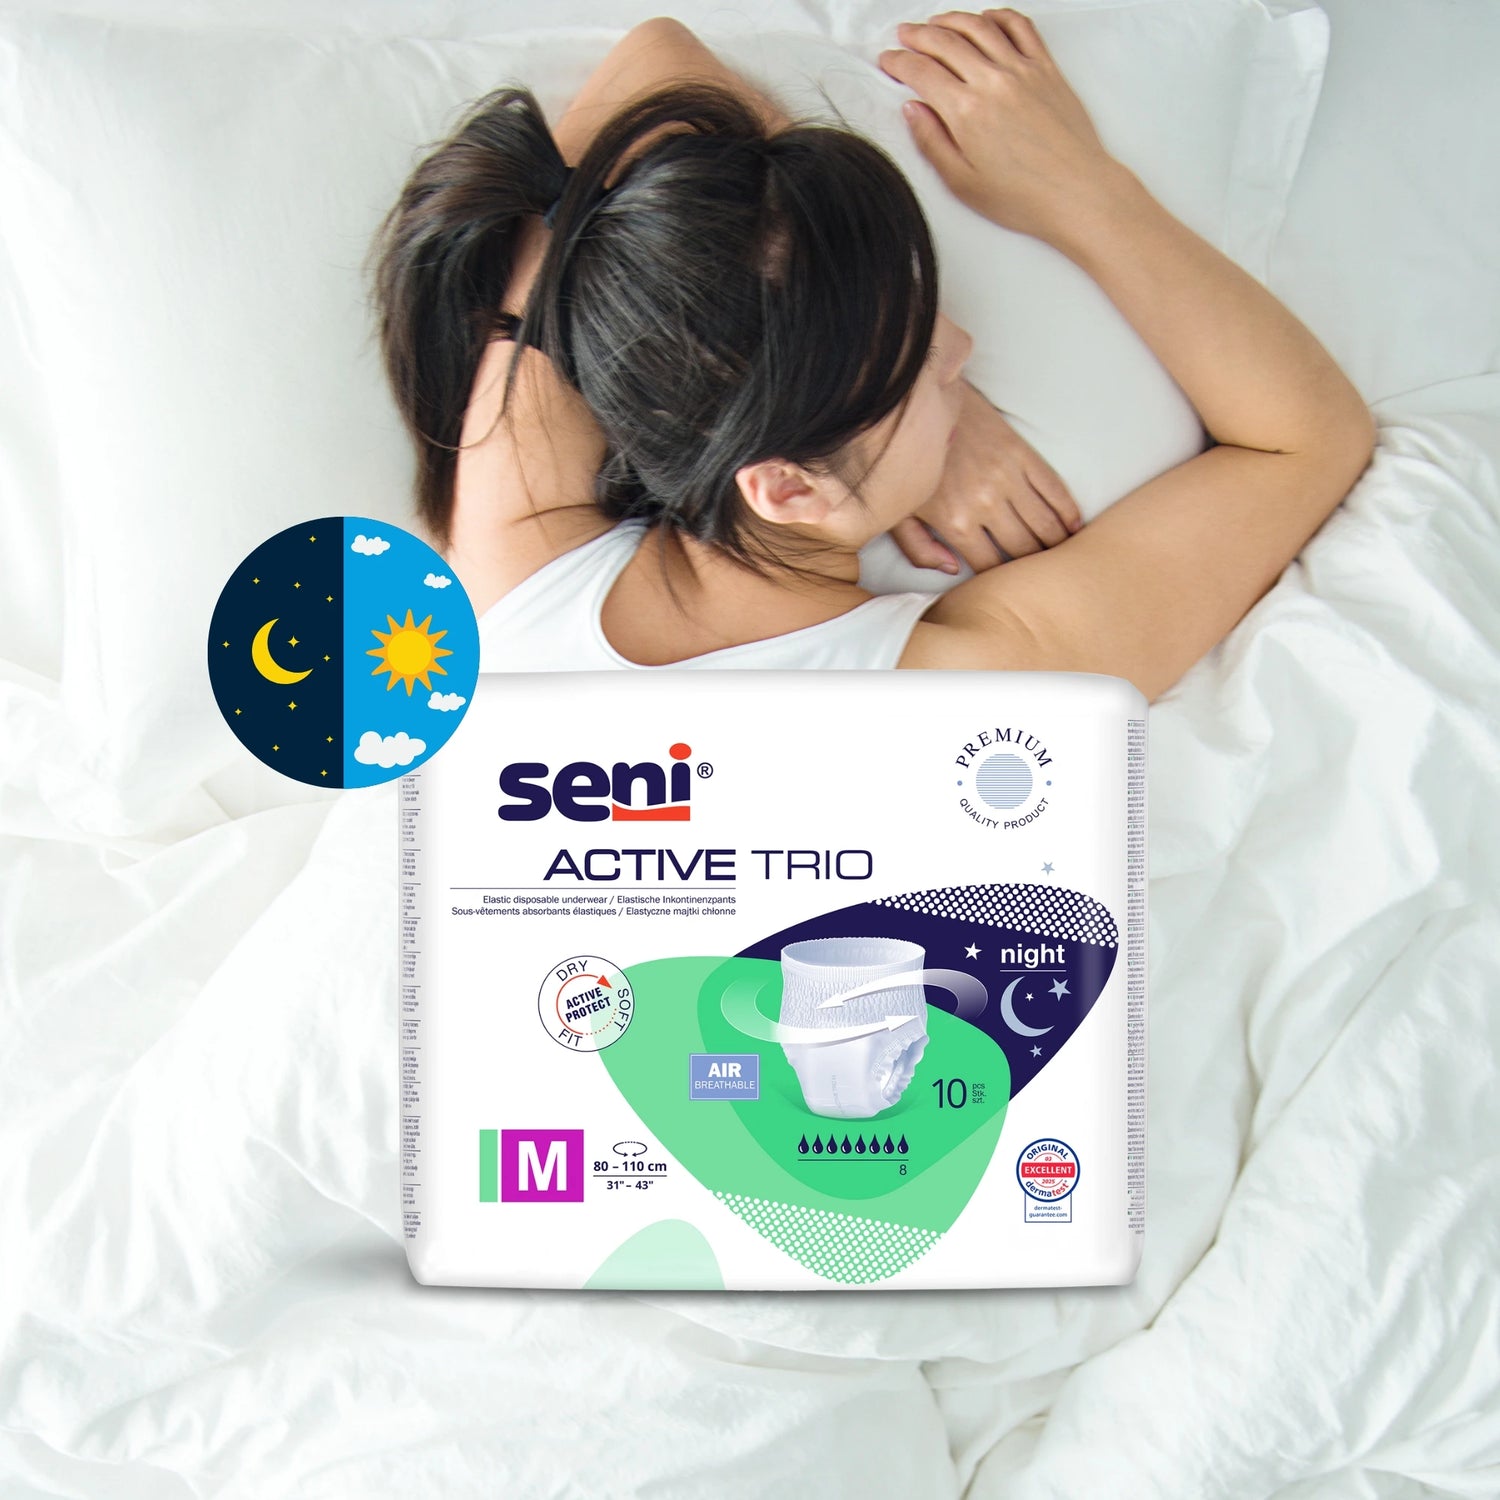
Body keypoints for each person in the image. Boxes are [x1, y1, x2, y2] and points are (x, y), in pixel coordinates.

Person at [366, 11, 1375, 700]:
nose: (963, 351)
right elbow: (1305, 440)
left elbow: (654, 66)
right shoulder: (967, 692)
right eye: (924, 369)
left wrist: (913, 424)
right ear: (788, 487)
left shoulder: (523, 567)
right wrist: (1081, 193)